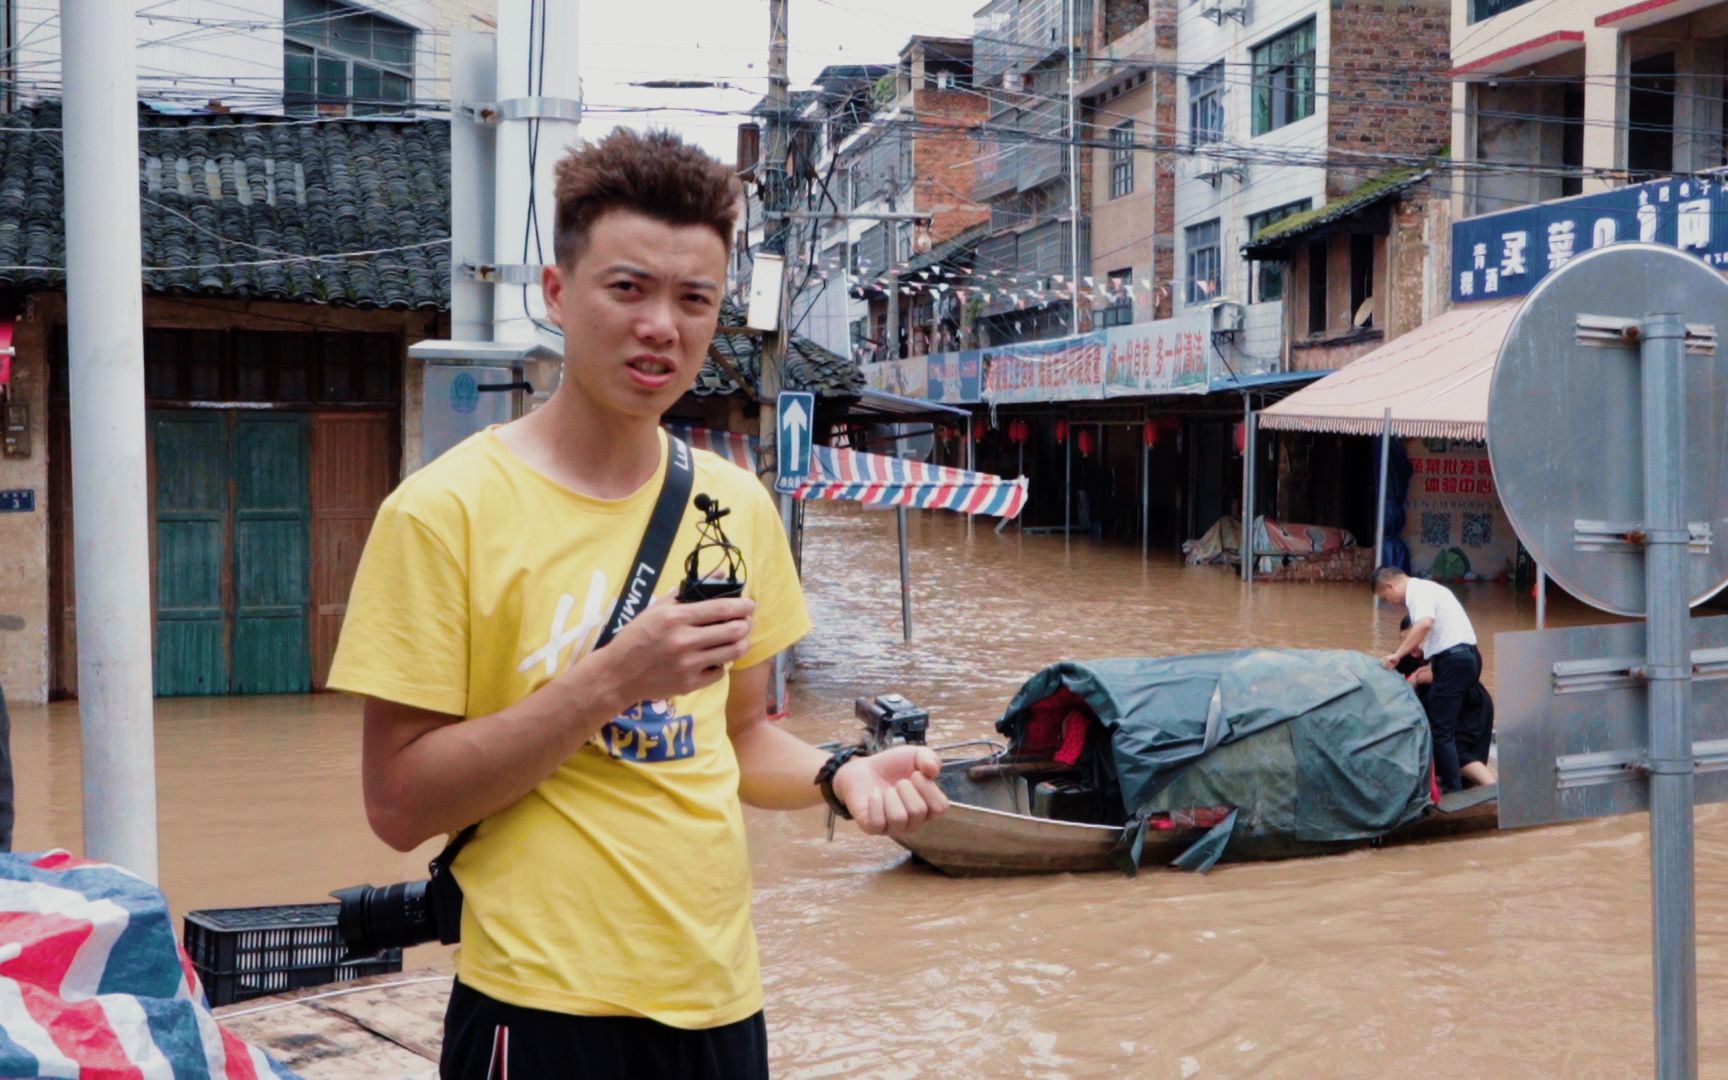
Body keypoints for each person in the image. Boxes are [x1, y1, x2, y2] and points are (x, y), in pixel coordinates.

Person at [327, 128, 949, 1080]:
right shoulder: (442, 512)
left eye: (694, 299)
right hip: (534, 1005)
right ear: (555, 293)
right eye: (628, 289)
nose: (662, 324)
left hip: (716, 997)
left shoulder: (735, 506)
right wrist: (615, 679)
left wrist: (841, 776)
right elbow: (399, 804)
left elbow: (738, 739)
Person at [1373, 567, 1490, 793]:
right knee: (1444, 729)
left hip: (1454, 661)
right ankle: (1451, 782)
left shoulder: (1417, 591)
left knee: (1440, 731)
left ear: (1390, 586)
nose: (1392, 602)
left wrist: (1397, 654)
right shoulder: (1429, 588)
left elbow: (1425, 623)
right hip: (1466, 658)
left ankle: (1453, 791)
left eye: (1386, 597)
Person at [1394, 617, 1496, 790]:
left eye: (1412, 640)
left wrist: (1430, 677)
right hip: (1451, 707)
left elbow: (1460, 670)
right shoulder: (1408, 656)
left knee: (1457, 752)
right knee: (1446, 753)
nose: (1409, 648)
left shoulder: (1442, 650)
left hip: (1470, 707)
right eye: (1404, 641)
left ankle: (1495, 791)